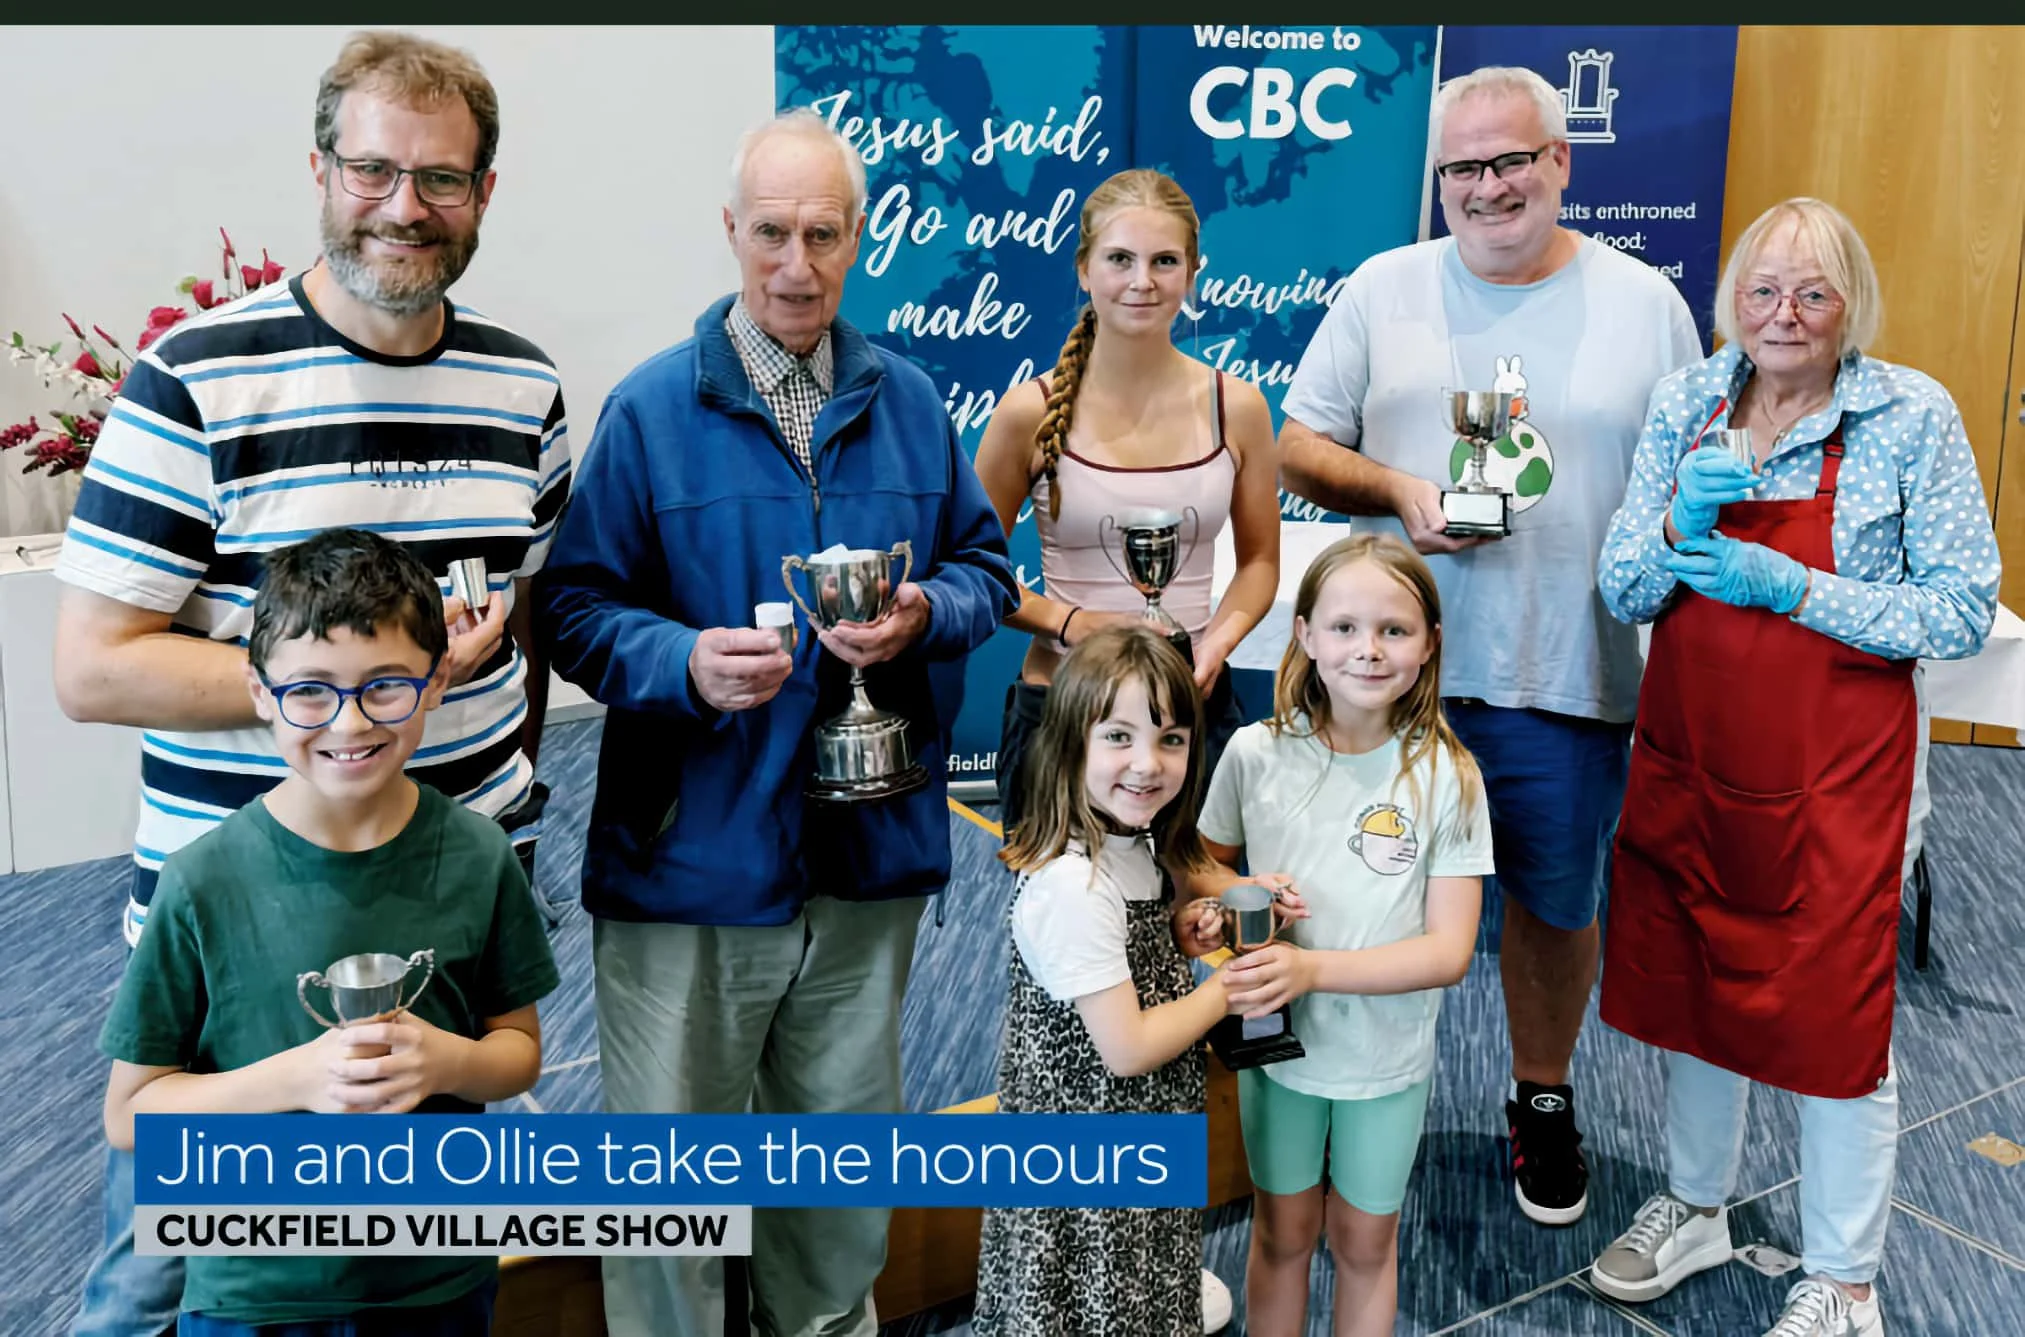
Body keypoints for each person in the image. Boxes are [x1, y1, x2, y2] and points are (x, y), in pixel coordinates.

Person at [51, 31, 570, 1337]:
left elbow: (532, 617)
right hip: (243, 937)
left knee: (406, 1279)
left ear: (486, 194)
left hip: (443, 925)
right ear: (320, 171)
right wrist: (354, 693)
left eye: (442, 179)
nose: (406, 207)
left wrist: (503, 775)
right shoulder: (195, 383)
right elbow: (94, 668)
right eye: (375, 170)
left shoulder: (525, 390)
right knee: (162, 1281)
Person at [534, 107, 1017, 1337]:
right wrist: (682, 659)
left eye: (822, 233)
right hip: (692, 862)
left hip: (866, 858)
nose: (795, 264)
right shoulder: (648, 412)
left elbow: (985, 568)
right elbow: (577, 610)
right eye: (770, 233)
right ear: (730, 232)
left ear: (859, 237)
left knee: (837, 1187)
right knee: (671, 1208)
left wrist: (921, 612)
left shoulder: (910, 401)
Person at [1275, 64, 1703, 1227]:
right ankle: (1331, 1094)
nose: (1487, 185)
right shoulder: (1385, 286)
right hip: (1384, 680)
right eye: (1462, 166)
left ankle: (1542, 1093)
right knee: (1347, 889)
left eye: (1511, 159)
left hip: (1567, 669)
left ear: (1560, 162)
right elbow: (1298, 446)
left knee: (1553, 904)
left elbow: (1688, 477)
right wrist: (1400, 490)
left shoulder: (1648, 304)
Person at [1588, 197, 1999, 1337]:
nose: (1786, 315)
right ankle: (1695, 1204)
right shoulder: (1688, 401)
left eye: (1814, 293)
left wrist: (1799, 590)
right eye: (1764, 290)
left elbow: (1961, 607)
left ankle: (1844, 1279)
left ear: (1849, 306)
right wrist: (1674, 521)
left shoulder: (1910, 415)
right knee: (1696, 980)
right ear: (1732, 299)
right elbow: (1627, 586)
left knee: (1835, 1015)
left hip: (1839, 778)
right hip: (1696, 755)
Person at [97, 527, 559, 1336]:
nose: (349, 723)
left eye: (386, 686)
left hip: (437, 1275)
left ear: (438, 676)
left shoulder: (479, 855)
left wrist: (448, 1059)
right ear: (258, 689)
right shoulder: (202, 880)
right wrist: (300, 1079)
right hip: (253, 1287)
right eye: (310, 690)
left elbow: (517, 1050)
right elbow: (133, 1114)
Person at [1186, 534, 1489, 1337]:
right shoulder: (1254, 754)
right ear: (1305, 635)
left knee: (1364, 1241)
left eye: (1394, 630)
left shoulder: (1446, 776)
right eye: (1345, 626)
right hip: (1275, 1055)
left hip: (1385, 1063)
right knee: (1282, 1232)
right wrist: (1233, 898)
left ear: (1428, 647)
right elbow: (1202, 865)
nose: (1368, 649)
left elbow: (1447, 951)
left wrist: (1310, 969)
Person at [972, 168, 1280, 836]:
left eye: (1164, 261)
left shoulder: (1241, 408)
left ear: (1192, 273)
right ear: (1083, 269)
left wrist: (1213, 645)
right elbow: (971, 571)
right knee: (1064, 922)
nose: (1142, 281)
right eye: (1119, 259)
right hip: (1062, 708)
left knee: (1196, 921)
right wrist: (1072, 624)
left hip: (1188, 709)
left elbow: (1259, 562)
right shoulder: (1027, 411)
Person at [972, 623, 1245, 1337]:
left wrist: (1172, 935)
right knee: (1092, 1300)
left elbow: (1119, 961)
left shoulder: (1134, 843)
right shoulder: (1073, 883)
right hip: (1092, 1159)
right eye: (1117, 736)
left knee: (1136, 1288)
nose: (1148, 764)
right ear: (1069, 745)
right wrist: (1224, 989)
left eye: (1171, 738)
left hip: (1136, 1137)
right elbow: (1124, 1048)